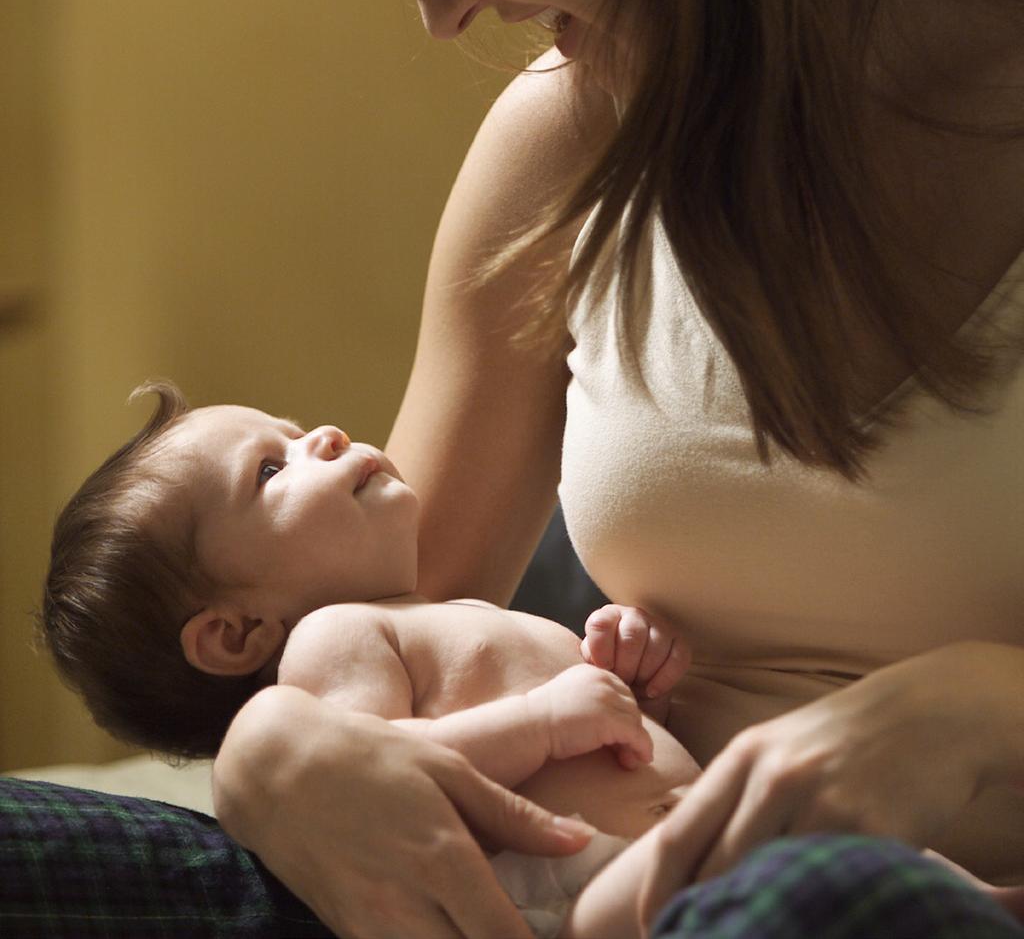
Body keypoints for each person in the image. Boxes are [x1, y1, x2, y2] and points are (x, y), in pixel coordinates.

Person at [5, 0, 1024, 934]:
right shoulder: (556, 147)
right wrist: (276, 751)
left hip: (894, 901)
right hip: (555, 882)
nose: (436, 9)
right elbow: (379, 612)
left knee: (819, 907)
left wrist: (982, 720)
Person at [41, 381, 700, 938]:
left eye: (293, 432)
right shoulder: (336, 636)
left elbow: (605, 754)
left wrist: (636, 692)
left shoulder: (449, 617)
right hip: (573, 889)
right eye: (270, 470)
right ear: (237, 634)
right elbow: (391, 771)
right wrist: (545, 721)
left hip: (664, 850)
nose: (324, 436)